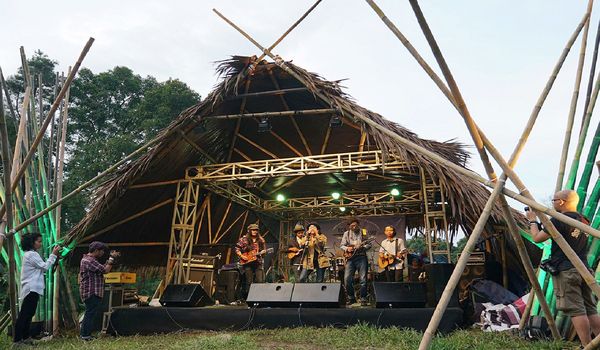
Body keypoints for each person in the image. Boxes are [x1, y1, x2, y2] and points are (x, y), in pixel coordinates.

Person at [527, 190, 600, 346]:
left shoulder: (559, 220)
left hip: (567, 270)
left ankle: (587, 346)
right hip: (584, 269)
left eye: (554, 199)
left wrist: (533, 221)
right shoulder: (583, 220)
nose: (552, 202)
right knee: (590, 308)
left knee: (576, 310)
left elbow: (537, 238)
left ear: (561, 202)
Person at [13, 232, 61, 344]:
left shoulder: (30, 254)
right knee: (25, 314)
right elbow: (45, 267)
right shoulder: (31, 255)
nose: (41, 243)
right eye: (38, 241)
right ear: (31, 243)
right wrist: (53, 254)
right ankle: (18, 340)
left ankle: (25, 338)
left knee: (29, 313)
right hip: (32, 288)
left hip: (32, 288)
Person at [79, 241, 119, 341]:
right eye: (102, 251)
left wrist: (110, 260)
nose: (102, 253)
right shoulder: (89, 261)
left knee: (90, 313)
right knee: (90, 313)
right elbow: (105, 270)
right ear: (96, 250)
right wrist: (111, 258)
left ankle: (85, 334)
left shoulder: (90, 260)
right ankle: (85, 335)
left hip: (91, 291)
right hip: (91, 291)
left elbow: (101, 268)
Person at [340, 218, 371, 306]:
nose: (353, 227)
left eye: (355, 225)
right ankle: (351, 298)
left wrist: (363, 247)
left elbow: (369, 244)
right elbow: (342, 245)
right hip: (350, 259)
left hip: (361, 257)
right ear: (349, 226)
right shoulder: (346, 233)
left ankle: (363, 298)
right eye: (351, 226)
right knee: (347, 279)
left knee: (363, 279)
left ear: (358, 225)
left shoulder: (364, 232)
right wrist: (347, 248)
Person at [236, 223, 266, 299]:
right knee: (249, 281)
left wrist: (263, 252)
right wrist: (242, 256)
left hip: (257, 262)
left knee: (260, 280)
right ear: (249, 230)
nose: (255, 231)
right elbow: (237, 249)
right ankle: (249, 298)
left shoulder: (261, 240)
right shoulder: (244, 239)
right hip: (247, 263)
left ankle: (258, 298)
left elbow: (264, 250)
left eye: (256, 230)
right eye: (253, 230)